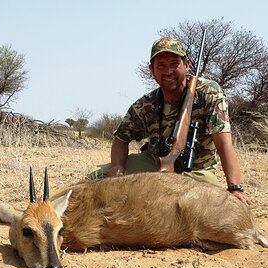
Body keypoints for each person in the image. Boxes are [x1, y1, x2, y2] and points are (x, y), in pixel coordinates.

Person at [90, 36, 251, 206]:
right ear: (151, 70)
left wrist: (235, 188)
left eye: (174, 63)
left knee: (215, 208)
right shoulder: (145, 104)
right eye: (161, 65)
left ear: (186, 65)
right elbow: (121, 138)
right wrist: (117, 167)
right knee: (96, 176)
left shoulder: (209, 92)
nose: (168, 71)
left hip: (196, 171)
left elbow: (224, 143)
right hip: (154, 163)